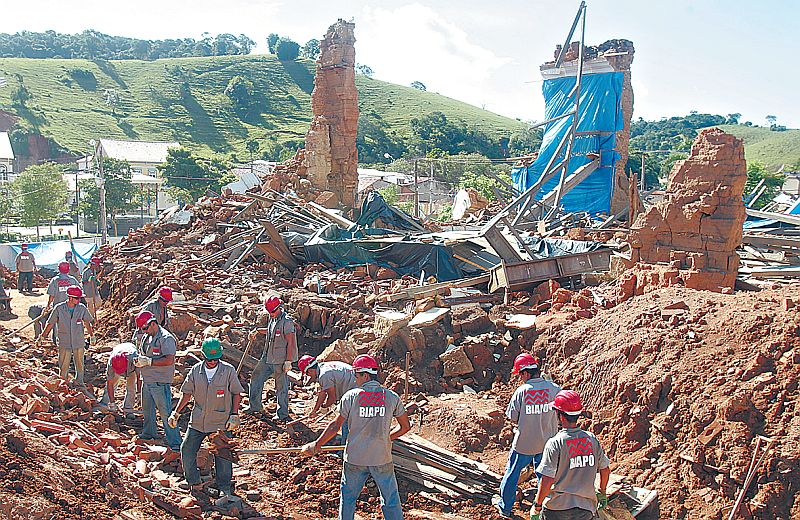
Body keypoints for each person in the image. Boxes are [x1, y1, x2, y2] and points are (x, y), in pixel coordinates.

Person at [301, 354, 411, 520]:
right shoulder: (391, 397)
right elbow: (405, 427)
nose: (355, 379)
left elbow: (334, 426)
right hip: (381, 457)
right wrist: (387, 438)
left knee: (348, 499)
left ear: (365, 375)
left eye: (356, 375)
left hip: (355, 458)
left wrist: (316, 445)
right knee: (391, 499)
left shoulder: (351, 397)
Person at [169, 338, 244, 505]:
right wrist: (176, 413)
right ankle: (194, 482)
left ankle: (224, 487)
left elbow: (236, 393)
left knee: (223, 454)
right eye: (209, 359)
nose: (212, 362)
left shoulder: (228, 371)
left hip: (220, 422)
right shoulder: (196, 371)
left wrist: (234, 414)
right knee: (187, 449)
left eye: (215, 359)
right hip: (198, 420)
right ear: (202, 356)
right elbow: (187, 393)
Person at [494, 353, 562, 519]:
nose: (521, 379)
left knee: (512, 473)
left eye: (520, 375)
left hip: (524, 443)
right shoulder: (555, 389)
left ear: (525, 373)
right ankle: (543, 508)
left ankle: (505, 507)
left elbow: (512, 417)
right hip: (548, 442)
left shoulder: (522, 391)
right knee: (545, 475)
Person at [531, 390, 611, 520]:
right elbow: (605, 469)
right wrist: (602, 492)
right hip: (585, 509)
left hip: (556, 509)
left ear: (561, 416)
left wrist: (537, 506)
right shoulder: (591, 439)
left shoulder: (555, 443)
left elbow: (547, 480)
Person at [134, 310, 181, 451]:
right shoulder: (147, 337)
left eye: (145, 328)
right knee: (147, 410)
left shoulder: (166, 338)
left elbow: (169, 359)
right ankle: (149, 434)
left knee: (165, 412)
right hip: (147, 380)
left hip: (160, 382)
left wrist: (149, 361)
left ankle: (175, 443)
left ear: (153, 324)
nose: (144, 331)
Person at [244, 296, 297, 421]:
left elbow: (290, 342)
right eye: (269, 312)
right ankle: (255, 406)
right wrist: (257, 331)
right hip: (267, 357)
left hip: (280, 360)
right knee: (256, 376)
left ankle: (282, 414)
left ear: (279, 308)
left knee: (281, 387)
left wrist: (288, 361)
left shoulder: (287, 322)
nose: (270, 314)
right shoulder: (272, 318)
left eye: (272, 312)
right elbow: (270, 332)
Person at [36, 285, 95, 385]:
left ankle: (79, 381)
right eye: (77, 298)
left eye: (80, 298)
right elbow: (50, 323)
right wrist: (42, 337)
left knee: (80, 363)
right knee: (64, 364)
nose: (79, 300)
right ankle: (63, 383)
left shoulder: (81, 308)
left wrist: (91, 335)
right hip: (65, 341)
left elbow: (87, 322)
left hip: (78, 340)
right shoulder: (59, 308)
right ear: (70, 297)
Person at [298, 355, 356, 438]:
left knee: (345, 417)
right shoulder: (323, 367)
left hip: (355, 390)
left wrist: (325, 407)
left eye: (308, 374)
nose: (309, 377)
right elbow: (323, 392)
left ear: (310, 370)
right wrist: (315, 409)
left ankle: (344, 447)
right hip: (355, 386)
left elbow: (332, 397)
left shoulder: (324, 375)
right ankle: (345, 439)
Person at [101, 342, 139, 412]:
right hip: (119, 352)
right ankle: (106, 403)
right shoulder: (111, 363)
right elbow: (110, 383)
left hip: (131, 368)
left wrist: (139, 393)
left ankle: (128, 409)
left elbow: (139, 377)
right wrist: (112, 403)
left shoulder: (134, 358)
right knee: (113, 382)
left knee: (131, 386)